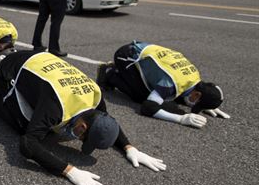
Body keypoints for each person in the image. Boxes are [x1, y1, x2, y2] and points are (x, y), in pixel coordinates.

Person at [0, 50, 166, 185]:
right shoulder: (56, 105)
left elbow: (106, 121)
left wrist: (129, 148)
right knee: (25, 127)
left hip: (43, 63)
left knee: (47, 126)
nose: (80, 141)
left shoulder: (95, 95)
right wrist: (69, 171)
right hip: (9, 68)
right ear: (83, 126)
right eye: (84, 138)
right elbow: (28, 145)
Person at [96, 41, 228, 128]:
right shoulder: (171, 83)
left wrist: (208, 103)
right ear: (198, 93)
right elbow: (148, 108)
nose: (194, 106)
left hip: (142, 48)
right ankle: (109, 73)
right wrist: (181, 119)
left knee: (168, 96)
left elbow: (184, 94)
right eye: (197, 103)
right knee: (141, 98)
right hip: (126, 55)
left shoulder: (194, 77)